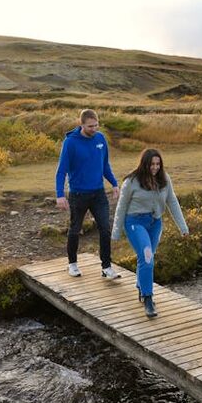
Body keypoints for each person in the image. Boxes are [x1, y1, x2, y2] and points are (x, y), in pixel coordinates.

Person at [111, 148, 189, 318]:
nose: (155, 167)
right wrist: (116, 232)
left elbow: (172, 202)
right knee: (147, 257)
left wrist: (183, 227)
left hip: (155, 223)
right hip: (135, 222)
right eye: (152, 164)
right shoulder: (131, 182)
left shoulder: (164, 179)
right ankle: (148, 299)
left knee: (147, 257)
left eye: (158, 164)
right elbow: (121, 206)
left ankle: (141, 286)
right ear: (144, 164)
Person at [56, 109, 121, 279]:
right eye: (90, 126)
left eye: (96, 125)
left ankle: (106, 268)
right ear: (82, 125)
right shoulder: (70, 142)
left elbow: (105, 165)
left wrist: (114, 183)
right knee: (75, 230)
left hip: (98, 193)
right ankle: (72, 264)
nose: (94, 129)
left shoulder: (100, 139)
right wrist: (60, 195)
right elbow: (61, 171)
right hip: (78, 195)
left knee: (105, 229)